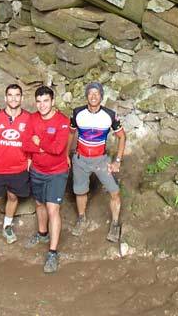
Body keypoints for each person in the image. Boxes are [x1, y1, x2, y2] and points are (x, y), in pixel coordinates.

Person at [69, 81, 126, 243]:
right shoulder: (77, 113)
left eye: (97, 93)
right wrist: (68, 154)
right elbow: (71, 133)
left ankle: (115, 224)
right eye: (90, 93)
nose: (93, 96)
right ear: (86, 95)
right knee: (80, 191)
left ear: (101, 96)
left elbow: (122, 136)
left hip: (101, 160)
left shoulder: (110, 115)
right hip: (80, 159)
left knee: (114, 191)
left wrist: (118, 161)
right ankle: (81, 218)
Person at [22, 85, 71, 274]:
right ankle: (42, 234)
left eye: (46, 101)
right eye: (39, 101)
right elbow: (26, 142)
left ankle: (52, 252)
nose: (42, 105)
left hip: (57, 172)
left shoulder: (62, 121)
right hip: (37, 170)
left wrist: (39, 142)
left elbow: (59, 148)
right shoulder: (32, 118)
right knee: (40, 204)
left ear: (52, 101)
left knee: (53, 208)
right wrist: (41, 147)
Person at [0, 83, 32, 254]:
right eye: (10, 95)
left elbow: (32, 143)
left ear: (22, 98)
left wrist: (28, 164)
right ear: (5, 98)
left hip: (18, 169)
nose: (13, 98)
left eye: (17, 95)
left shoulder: (29, 119)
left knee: (12, 197)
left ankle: (7, 225)